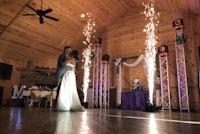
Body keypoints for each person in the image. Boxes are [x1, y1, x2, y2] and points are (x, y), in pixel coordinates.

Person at [55, 47, 84, 111]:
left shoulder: (72, 59)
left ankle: (68, 104)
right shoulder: (62, 56)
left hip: (69, 76)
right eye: (67, 50)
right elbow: (62, 65)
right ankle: (60, 104)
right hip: (62, 75)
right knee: (61, 89)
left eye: (70, 50)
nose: (69, 51)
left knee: (68, 89)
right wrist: (71, 68)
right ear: (65, 50)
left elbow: (73, 68)